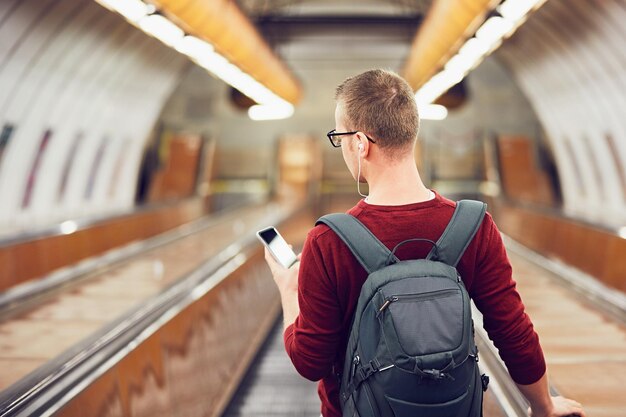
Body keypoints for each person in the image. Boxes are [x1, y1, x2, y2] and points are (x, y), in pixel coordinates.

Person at [263, 69, 585, 417]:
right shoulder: (474, 225)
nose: (341, 147)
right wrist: (544, 406)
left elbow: (310, 361)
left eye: (339, 137)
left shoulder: (328, 241)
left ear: (360, 143)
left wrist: (289, 289)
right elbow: (511, 328)